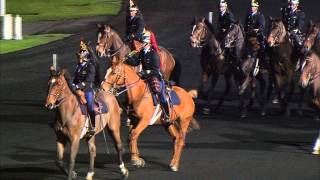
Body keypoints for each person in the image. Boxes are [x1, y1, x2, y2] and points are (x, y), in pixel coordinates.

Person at [126, 34, 171, 125]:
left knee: (161, 94)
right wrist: (128, 58)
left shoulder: (154, 54)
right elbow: (136, 63)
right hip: (145, 77)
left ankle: (167, 115)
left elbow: (156, 69)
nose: (141, 44)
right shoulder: (142, 52)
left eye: (142, 42)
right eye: (141, 42)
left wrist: (145, 73)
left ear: (147, 43)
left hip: (156, 76)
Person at [72, 40, 97, 136]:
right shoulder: (78, 66)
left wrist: (77, 86)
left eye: (79, 56)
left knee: (90, 107)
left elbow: (88, 81)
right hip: (77, 90)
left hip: (87, 90)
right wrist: (72, 85)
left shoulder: (90, 67)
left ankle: (93, 126)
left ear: (84, 57)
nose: (78, 58)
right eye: (78, 56)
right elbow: (75, 79)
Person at [244, 0, 267, 69]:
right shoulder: (248, 15)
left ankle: (262, 63)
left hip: (256, 35)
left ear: (257, 7)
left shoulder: (260, 15)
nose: (252, 8)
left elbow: (262, 27)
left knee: (262, 46)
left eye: (254, 6)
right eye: (251, 6)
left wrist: (256, 30)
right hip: (248, 34)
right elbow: (246, 25)